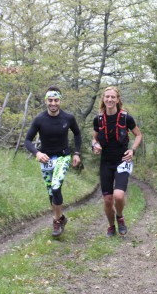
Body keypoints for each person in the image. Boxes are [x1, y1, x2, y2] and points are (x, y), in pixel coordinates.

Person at [24, 86, 82, 238]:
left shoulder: (68, 118)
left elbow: (77, 134)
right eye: (50, 100)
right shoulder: (39, 120)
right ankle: (61, 218)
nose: (53, 103)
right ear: (46, 101)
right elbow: (27, 141)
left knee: (56, 186)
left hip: (63, 157)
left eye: (56, 100)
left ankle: (56, 221)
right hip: (46, 159)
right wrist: (37, 153)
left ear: (60, 101)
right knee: (51, 192)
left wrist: (76, 153)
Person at [91, 86, 142, 237]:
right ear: (103, 99)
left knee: (118, 195)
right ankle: (111, 226)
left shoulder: (126, 118)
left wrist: (132, 150)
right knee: (107, 200)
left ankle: (120, 217)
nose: (110, 99)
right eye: (107, 97)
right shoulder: (98, 119)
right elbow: (94, 138)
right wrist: (95, 145)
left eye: (113, 97)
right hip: (106, 162)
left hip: (122, 161)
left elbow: (138, 135)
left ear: (118, 99)